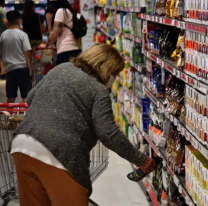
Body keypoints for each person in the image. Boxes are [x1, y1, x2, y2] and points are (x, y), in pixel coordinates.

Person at [11, 44, 155, 206]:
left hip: (22, 145)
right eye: (115, 73)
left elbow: (30, 97)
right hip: (59, 153)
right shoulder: (98, 90)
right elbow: (108, 133)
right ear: (106, 69)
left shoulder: (61, 68)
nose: (114, 79)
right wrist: (140, 159)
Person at [0, 11, 32, 103]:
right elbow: (27, 53)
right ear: (19, 20)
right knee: (26, 96)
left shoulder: (3, 35)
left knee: (11, 96)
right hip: (22, 68)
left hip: (9, 70)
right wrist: (30, 68)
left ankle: (8, 116)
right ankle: (26, 116)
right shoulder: (22, 35)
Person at [47, 0, 81, 65]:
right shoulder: (69, 11)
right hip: (75, 49)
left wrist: (47, 45)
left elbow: (54, 34)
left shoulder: (61, 11)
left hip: (65, 52)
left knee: (62, 74)